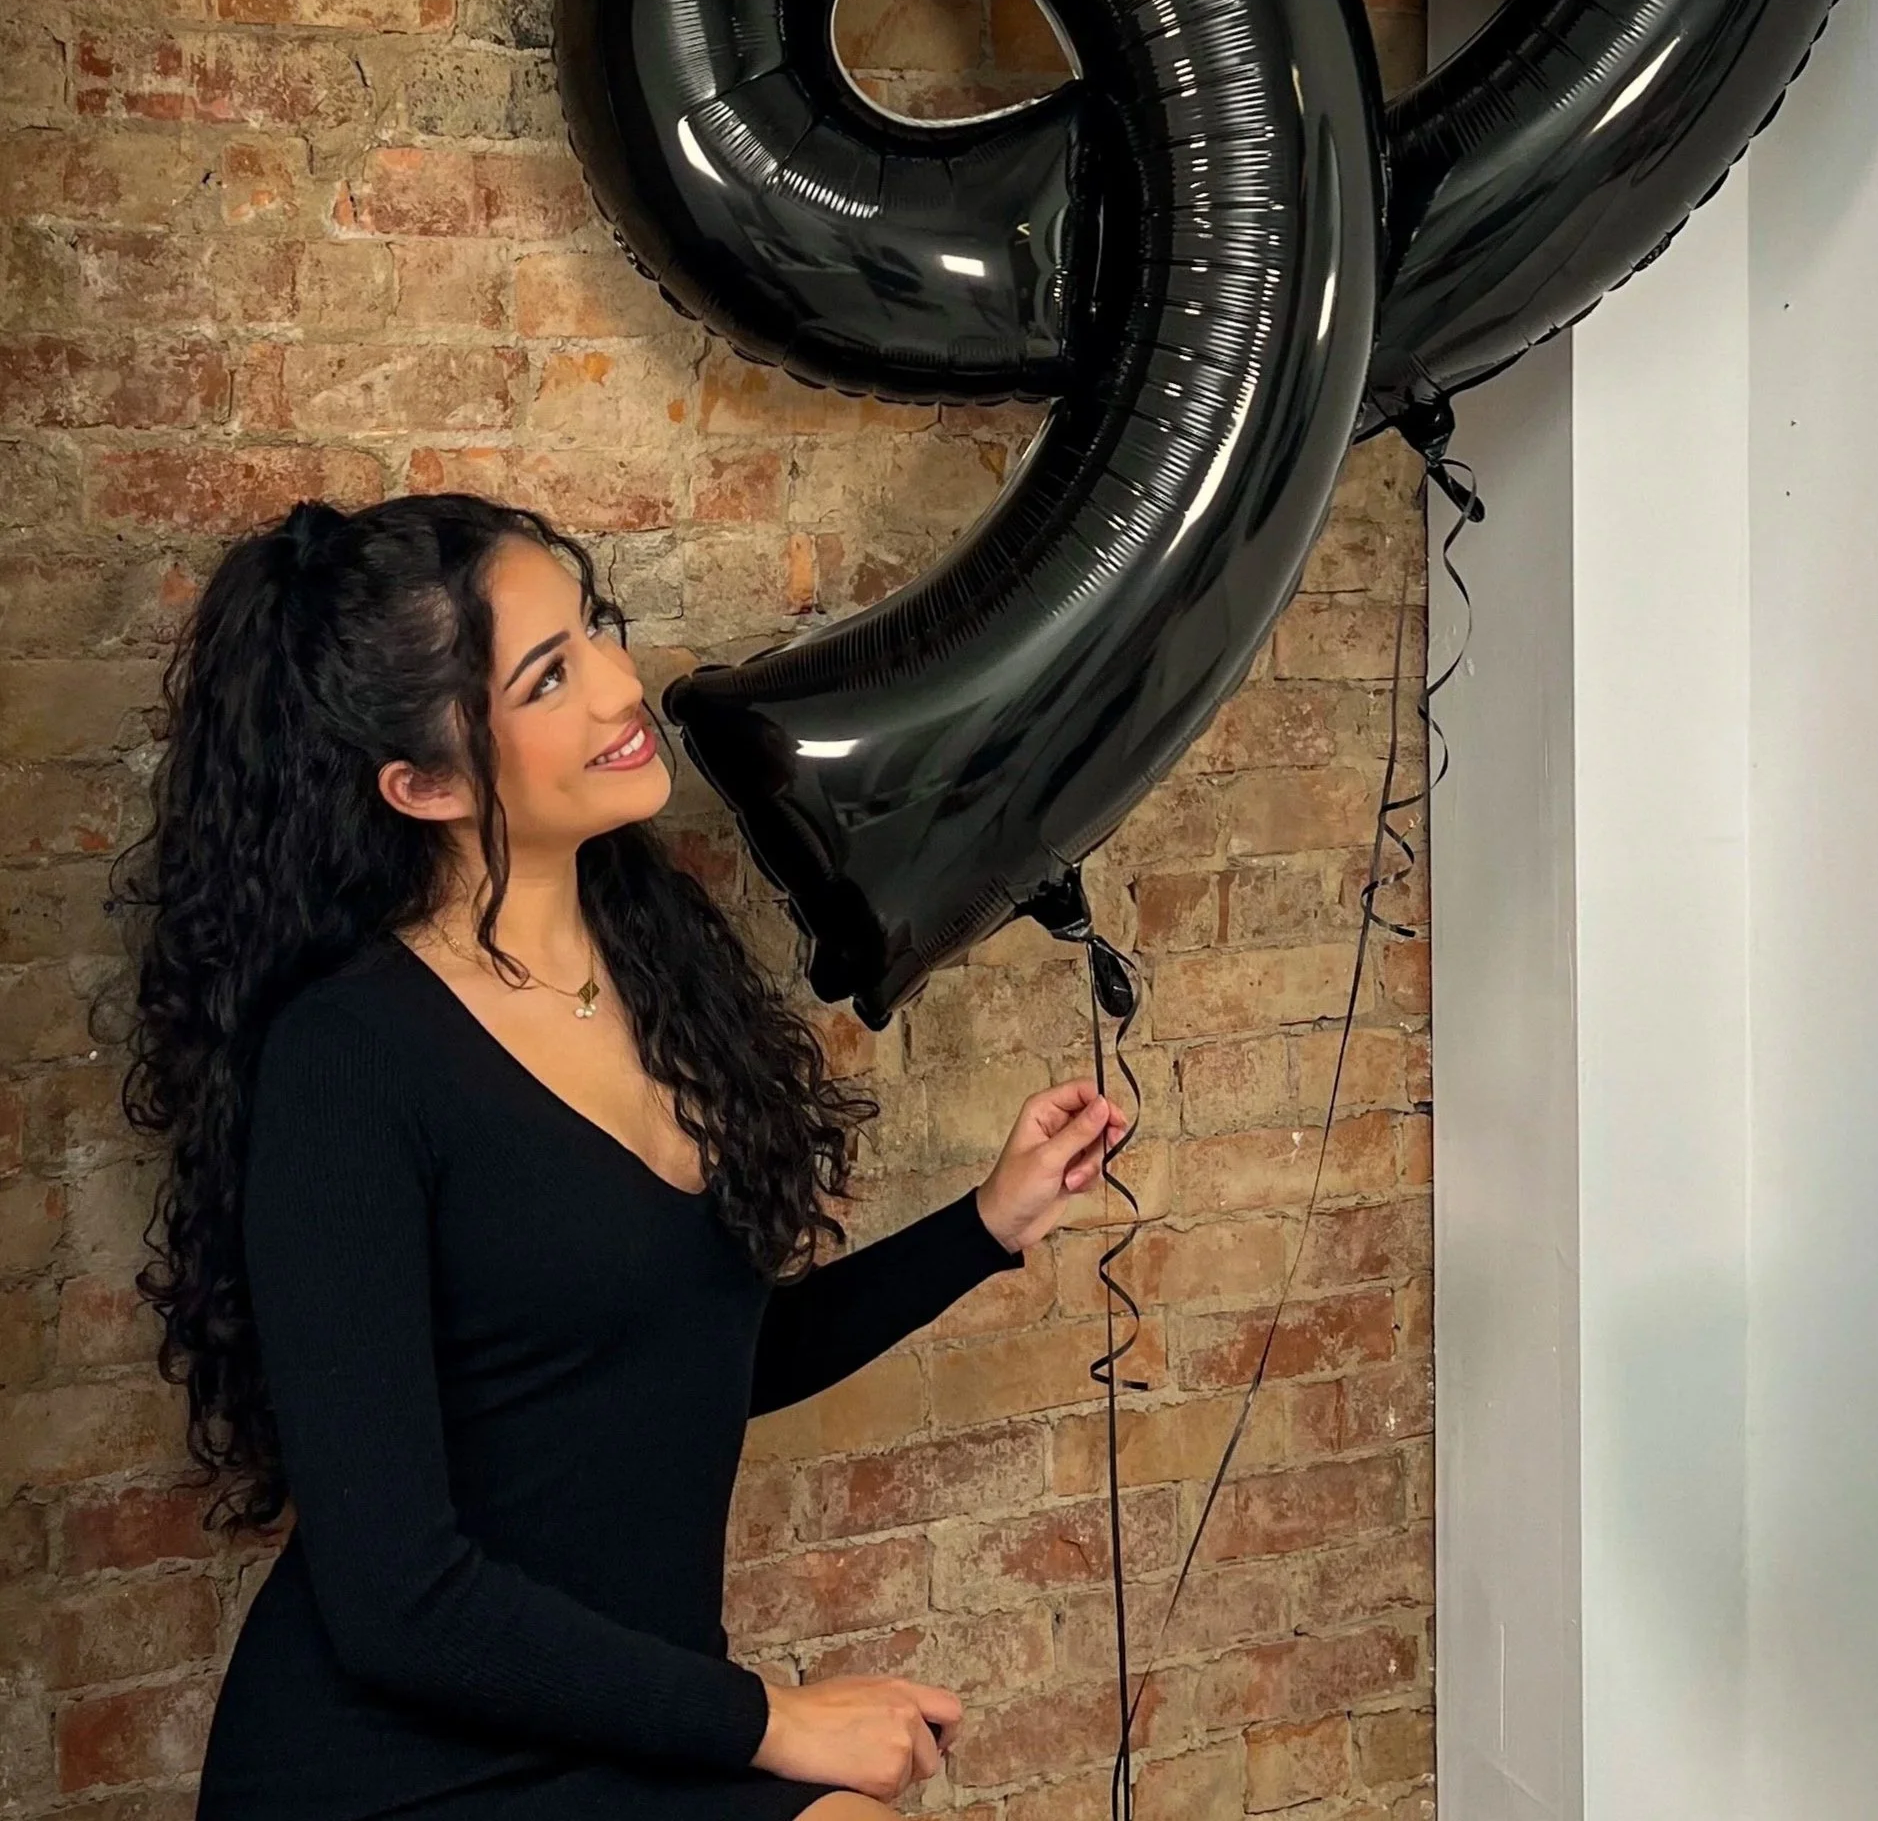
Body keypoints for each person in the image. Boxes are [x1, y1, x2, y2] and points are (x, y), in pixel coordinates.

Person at [113, 491, 1127, 1821]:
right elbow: (399, 1603)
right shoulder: (349, 1061)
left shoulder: (652, 956)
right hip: (403, 1763)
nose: (615, 684)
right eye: (548, 676)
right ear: (426, 785)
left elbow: (680, 1364)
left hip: (633, 1715)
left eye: (594, 630)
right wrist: (774, 1723)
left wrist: (981, 1229)